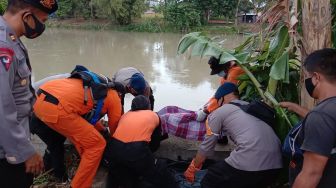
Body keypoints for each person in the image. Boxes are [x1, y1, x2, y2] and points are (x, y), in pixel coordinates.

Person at [0, 0, 57, 187]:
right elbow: (2, 108)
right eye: (42, 20)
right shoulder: (3, 46)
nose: (42, 27)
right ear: (26, 16)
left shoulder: (12, 40)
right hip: (7, 154)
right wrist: (24, 152)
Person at [185, 83, 282, 188]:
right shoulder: (250, 107)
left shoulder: (219, 112)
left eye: (218, 101)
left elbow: (206, 148)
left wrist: (193, 168)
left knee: (210, 179)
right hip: (276, 167)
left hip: (250, 165)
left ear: (221, 98)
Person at [33, 73, 122, 188]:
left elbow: (87, 118)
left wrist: (102, 128)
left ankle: (84, 164)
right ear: (120, 93)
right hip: (57, 107)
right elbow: (115, 127)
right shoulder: (115, 97)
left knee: (80, 136)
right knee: (97, 144)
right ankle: (79, 185)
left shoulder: (94, 86)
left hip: (39, 101)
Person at [284, 48, 336, 188]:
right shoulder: (327, 113)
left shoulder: (321, 116)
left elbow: (311, 174)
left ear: (316, 77)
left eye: (306, 77)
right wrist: (295, 107)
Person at [106, 95, 178, 188]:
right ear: (148, 106)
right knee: (160, 169)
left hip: (113, 149)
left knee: (124, 174)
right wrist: (149, 158)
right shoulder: (153, 115)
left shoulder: (125, 115)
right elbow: (155, 143)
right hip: (136, 150)